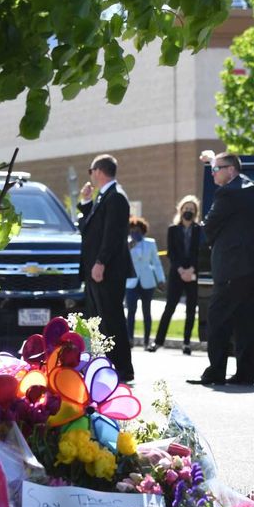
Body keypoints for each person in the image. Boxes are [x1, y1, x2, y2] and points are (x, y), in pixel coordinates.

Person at [190, 153, 254, 386]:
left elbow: (212, 223)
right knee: (244, 320)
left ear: (231, 170)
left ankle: (215, 371)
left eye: (216, 169)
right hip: (251, 268)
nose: (213, 173)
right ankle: (245, 374)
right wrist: (213, 159)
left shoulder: (228, 192)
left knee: (217, 318)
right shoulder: (248, 188)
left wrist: (211, 239)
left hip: (231, 267)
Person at [78, 154, 135, 382]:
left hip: (107, 270)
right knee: (97, 319)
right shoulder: (105, 196)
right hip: (96, 269)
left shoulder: (116, 197)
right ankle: (104, 364)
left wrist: (100, 262)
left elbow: (113, 235)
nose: (90, 176)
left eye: (91, 171)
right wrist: (85, 202)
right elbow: (92, 228)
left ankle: (121, 367)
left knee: (111, 319)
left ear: (98, 171)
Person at [150, 195, 202, 356]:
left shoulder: (199, 230)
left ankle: (187, 343)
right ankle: (158, 341)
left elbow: (200, 252)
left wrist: (191, 269)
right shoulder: (173, 229)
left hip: (192, 273)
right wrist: (180, 270)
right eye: (186, 209)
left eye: (191, 210)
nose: (188, 212)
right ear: (181, 210)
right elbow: (171, 253)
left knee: (191, 309)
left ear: (195, 212)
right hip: (176, 273)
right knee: (169, 307)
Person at [124, 216, 165, 350]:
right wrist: (127, 249)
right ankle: (130, 339)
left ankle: (146, 341)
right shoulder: (127, 244)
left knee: (146, 312)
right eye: (132, 230)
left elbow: (156, 263)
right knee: (131, 312)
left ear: (143, 230)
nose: (135, 233)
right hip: (131, 282)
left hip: (147, 282)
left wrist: (161, 280)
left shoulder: (150, 243)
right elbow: (122, 262)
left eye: (138, 230)